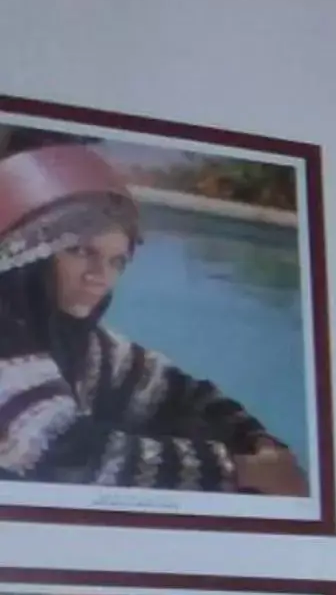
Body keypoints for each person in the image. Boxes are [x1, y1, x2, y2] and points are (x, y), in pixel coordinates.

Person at [0, 135, 307, 496]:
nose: (100, 276)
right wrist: (237, 470)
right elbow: (63, 455)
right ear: (31, 254)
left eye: (117, 261)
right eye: (81, 251)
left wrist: (259, 444)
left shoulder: (83, 342)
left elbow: (176, 394)